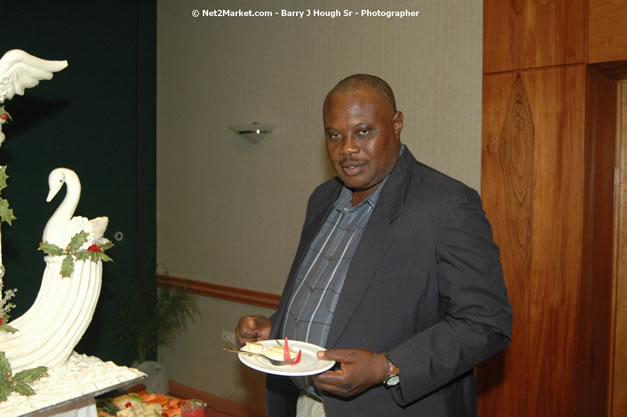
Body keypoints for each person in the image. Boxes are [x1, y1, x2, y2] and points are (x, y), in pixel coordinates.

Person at [236, 74, 512, 417]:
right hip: (305, 406)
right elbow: (331, 298)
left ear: (396, 124)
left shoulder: (446, 205)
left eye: (363, 131)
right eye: (334, 135)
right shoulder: (322, 199)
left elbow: (486, 323)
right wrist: (277, 328)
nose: (347, 147)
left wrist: (388, 367)